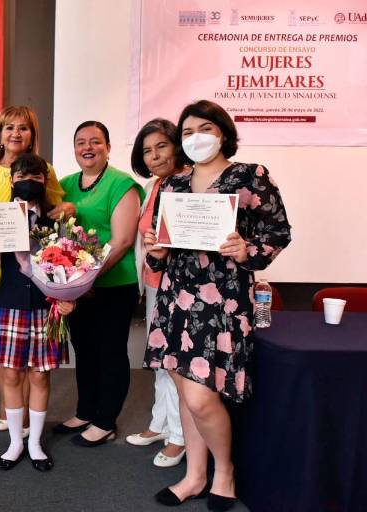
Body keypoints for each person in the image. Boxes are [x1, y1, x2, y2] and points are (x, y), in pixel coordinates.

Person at [143, 100, 291, 509]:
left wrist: (248, 251)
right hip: (176, 298)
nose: (196, 138)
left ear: (223, 132)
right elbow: (160, 249)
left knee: (201, 397)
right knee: (184, 388)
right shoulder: (173, 184)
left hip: (222, 298)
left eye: (204, 129)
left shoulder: (250, 176)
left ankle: (223, 472)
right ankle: (195, 476)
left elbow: (278, 231)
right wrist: (155, 250)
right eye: (187, 132)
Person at [0, 153, 75, 472]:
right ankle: (15, 442)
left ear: (45, 181)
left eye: (36, 177)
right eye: (23, 176)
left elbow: (72, 266)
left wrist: (70, 298)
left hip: (45, 306)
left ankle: (35, 443)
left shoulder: (58, 219)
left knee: (40, 375)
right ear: (12, 180)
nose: (29, 182)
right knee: (11, 374)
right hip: (10, 303)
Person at [0, 106, 71, 434]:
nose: (15, 133)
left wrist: (67, 210)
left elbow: (54, 211)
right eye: (9, 127)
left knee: (35, 361)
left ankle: (25, 416)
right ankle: (8, 408)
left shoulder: (45, 169)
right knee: (6, 348)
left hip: (33, 269)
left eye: (23, 128)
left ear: (32, 135)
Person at [54, 121, 143, 447]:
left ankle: (105, 421)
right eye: (81, 142)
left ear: (107, 146)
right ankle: (85, 411)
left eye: (95, 141)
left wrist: (86, 278)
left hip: (114, 284)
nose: (87, 147)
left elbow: (122, 241)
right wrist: (72, 283)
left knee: (110, 352)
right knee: (84, 349)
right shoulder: (65, 184)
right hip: (79, 288)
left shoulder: (122, 184)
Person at [126, 119, 186, 467]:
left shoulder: (191, 184)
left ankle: (180, 436)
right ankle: (160, 423)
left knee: (176, 361)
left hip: (180, 288)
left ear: (177, 146)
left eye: (162, 146)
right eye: (147, 151)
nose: (155, 156)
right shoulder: (153, 185)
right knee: (160, 359)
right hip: (154, 283)